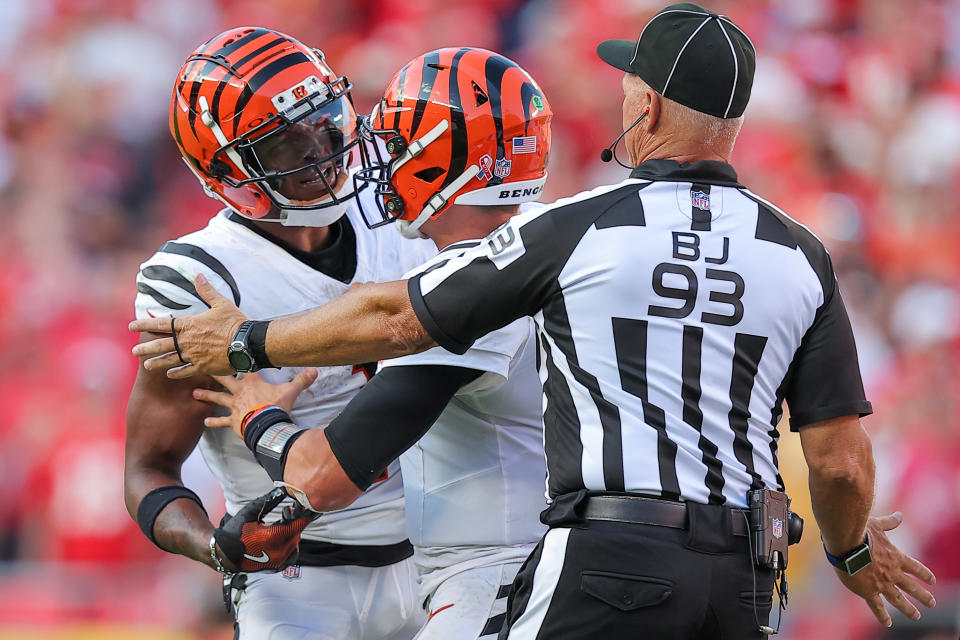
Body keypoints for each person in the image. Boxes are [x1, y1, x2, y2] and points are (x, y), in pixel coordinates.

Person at [130, 5, 938, 638]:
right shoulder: (799, 250)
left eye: (388, 136)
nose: (348, 149)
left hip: (540, 565)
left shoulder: (564, 235)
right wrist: (853, 548)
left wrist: (249, 360)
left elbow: (384, 346)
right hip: (744, 569)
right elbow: (837, 461)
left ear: (645, 102)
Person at [191, 47, 553, 640]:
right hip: (546, 558)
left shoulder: (480, 280)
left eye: (399, 144)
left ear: (445, 161)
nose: (377, 162)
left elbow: (322, 477)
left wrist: (258, 414)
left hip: (499, 570)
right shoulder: (557, 235)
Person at [125, 27, 434, 640]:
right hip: (299, 581)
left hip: (443, 557)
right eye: (286, 143)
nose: (321, 149)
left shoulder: (403, 214)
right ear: (229, 172)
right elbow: (149, 469)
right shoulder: (199, 281)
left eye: (324, 121)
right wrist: (216, 546)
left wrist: (253, 340)